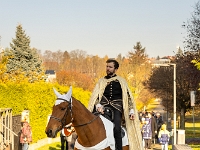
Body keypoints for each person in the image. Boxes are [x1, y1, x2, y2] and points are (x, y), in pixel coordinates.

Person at [88, 59, 143, 150]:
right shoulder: (101, 81)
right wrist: (98, 105)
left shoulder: (122, 81)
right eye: (107, 66)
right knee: (90, 125)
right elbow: (95, 97)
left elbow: (128, 98)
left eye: (110, 67)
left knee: (117, 129)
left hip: (116, 109)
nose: (108, 69)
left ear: (116, 69)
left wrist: (131, 111)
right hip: (102, 108)